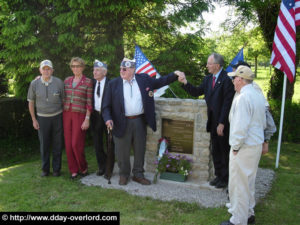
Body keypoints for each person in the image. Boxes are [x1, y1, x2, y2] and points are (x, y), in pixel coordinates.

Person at [102, 58, 179, 185]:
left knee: (139, 149)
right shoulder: (113, 84)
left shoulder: (144, 80)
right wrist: (108, 118)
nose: (121, 71)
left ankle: (138, 174)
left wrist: (175, 75)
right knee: (122, 151)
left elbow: (160, 82)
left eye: (125, 69)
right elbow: (105, 106)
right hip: (120, 121)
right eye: (121, 69)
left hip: (139, 120)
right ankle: (124, 174)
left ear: (132, 70)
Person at [178, 53, 235, 188]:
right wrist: (185, 82)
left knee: (224, 150)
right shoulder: (208, 79)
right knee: (215, 150)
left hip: (223, 123)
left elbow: (227, 103)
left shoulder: (227, 79)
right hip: (212, 121)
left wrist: (221, 123)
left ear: (217, 65)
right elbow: (197, 91)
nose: (207, 66)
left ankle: (226, 179)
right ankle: (219, 175)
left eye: (209, 63)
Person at [220, 66, 266, 225]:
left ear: (240, 79)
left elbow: (240, 127)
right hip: (255, 144)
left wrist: (236, 147)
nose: (232, 81)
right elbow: (263, 122)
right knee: (248, 182)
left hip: (244, 147)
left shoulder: (243, 98)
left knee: (239, 184)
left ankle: (238, 220)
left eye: (234, 78)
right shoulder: (257, 94)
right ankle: (248, 214)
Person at [27, 60, 64, 177]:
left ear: (52, 70)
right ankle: (45, 169)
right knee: (44, 145)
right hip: (42, 118)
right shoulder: (34, 83)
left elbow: (64, 100)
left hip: (57, 117)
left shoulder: (59, 82)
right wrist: (34, 119)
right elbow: (31, 102)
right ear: (40, 70)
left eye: (49, 69)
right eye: (44, 69)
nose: (46, 71)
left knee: (58, 144)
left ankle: (57, 169)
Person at [230, 61, 276, 155]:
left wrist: (266, 140)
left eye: (235, 76)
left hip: (246, 144)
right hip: (249, 142)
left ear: (241, 78)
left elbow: (266, 116)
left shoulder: (252, 90)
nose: (233, 79)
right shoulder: (244, 90)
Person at [63, 57, 93, 179]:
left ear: (82, 67)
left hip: (80, 115)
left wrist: (87, 118)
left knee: (76, 143)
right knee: (68, 144)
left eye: (78, 66)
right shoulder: (67, 81)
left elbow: (89, 102)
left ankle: (83, 167)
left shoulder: (87, 82)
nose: (75, 68)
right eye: (73, 66)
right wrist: (39, 78)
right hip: (66, 114)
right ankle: (74, 170)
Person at [90, 60, 111, 176]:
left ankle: (109, 166)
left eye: (97, 70)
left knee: (109, 143)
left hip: (107, 117)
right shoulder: (91, 83)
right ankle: (101, 166)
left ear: (104, 72)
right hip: (95, 117)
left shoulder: (111, 83)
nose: (94, 72)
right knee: (97, 143)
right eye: (94, 70)